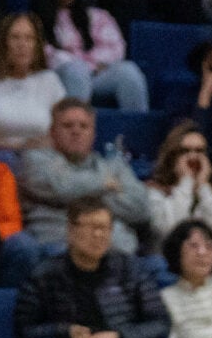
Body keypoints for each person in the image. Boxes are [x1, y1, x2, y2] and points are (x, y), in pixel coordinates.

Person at [19, 199, 176, 338]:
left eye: (106, 228)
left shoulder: (132, 269)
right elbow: (25, 330)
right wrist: (65, 332)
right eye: (92, 227)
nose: (99, 235)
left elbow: (160, 324)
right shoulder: (44, 274)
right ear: (71, 230)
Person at [18, 98, 147, 258]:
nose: (76, 131)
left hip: (116, 250)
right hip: (56, 245)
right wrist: (104, 184)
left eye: (84, 126)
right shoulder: (35, 160)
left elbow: (140, 208)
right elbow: (61, 189)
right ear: (52, 132)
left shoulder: (115, 166)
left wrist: (80, 194)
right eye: (67, 126)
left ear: (93, 134)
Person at [147, 122, 212, 293]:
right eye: (185, 151)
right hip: (170, 264)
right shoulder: (154, 192)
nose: (193, 158)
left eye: (199, 151)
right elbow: (169, 231)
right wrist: (185, 185)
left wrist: (204, 189)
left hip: (209, 262)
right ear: (172, 157)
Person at [32, 0, 144, 110]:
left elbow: (116, 48)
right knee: (76, 70)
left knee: (128, 71)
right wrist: (86, 64)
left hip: (95, 76)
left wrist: (85, 64)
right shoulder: (34, 19)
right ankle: (75, 128)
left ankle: (136, 131)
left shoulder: (97, 16)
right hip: (55, 77)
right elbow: (45, 53)